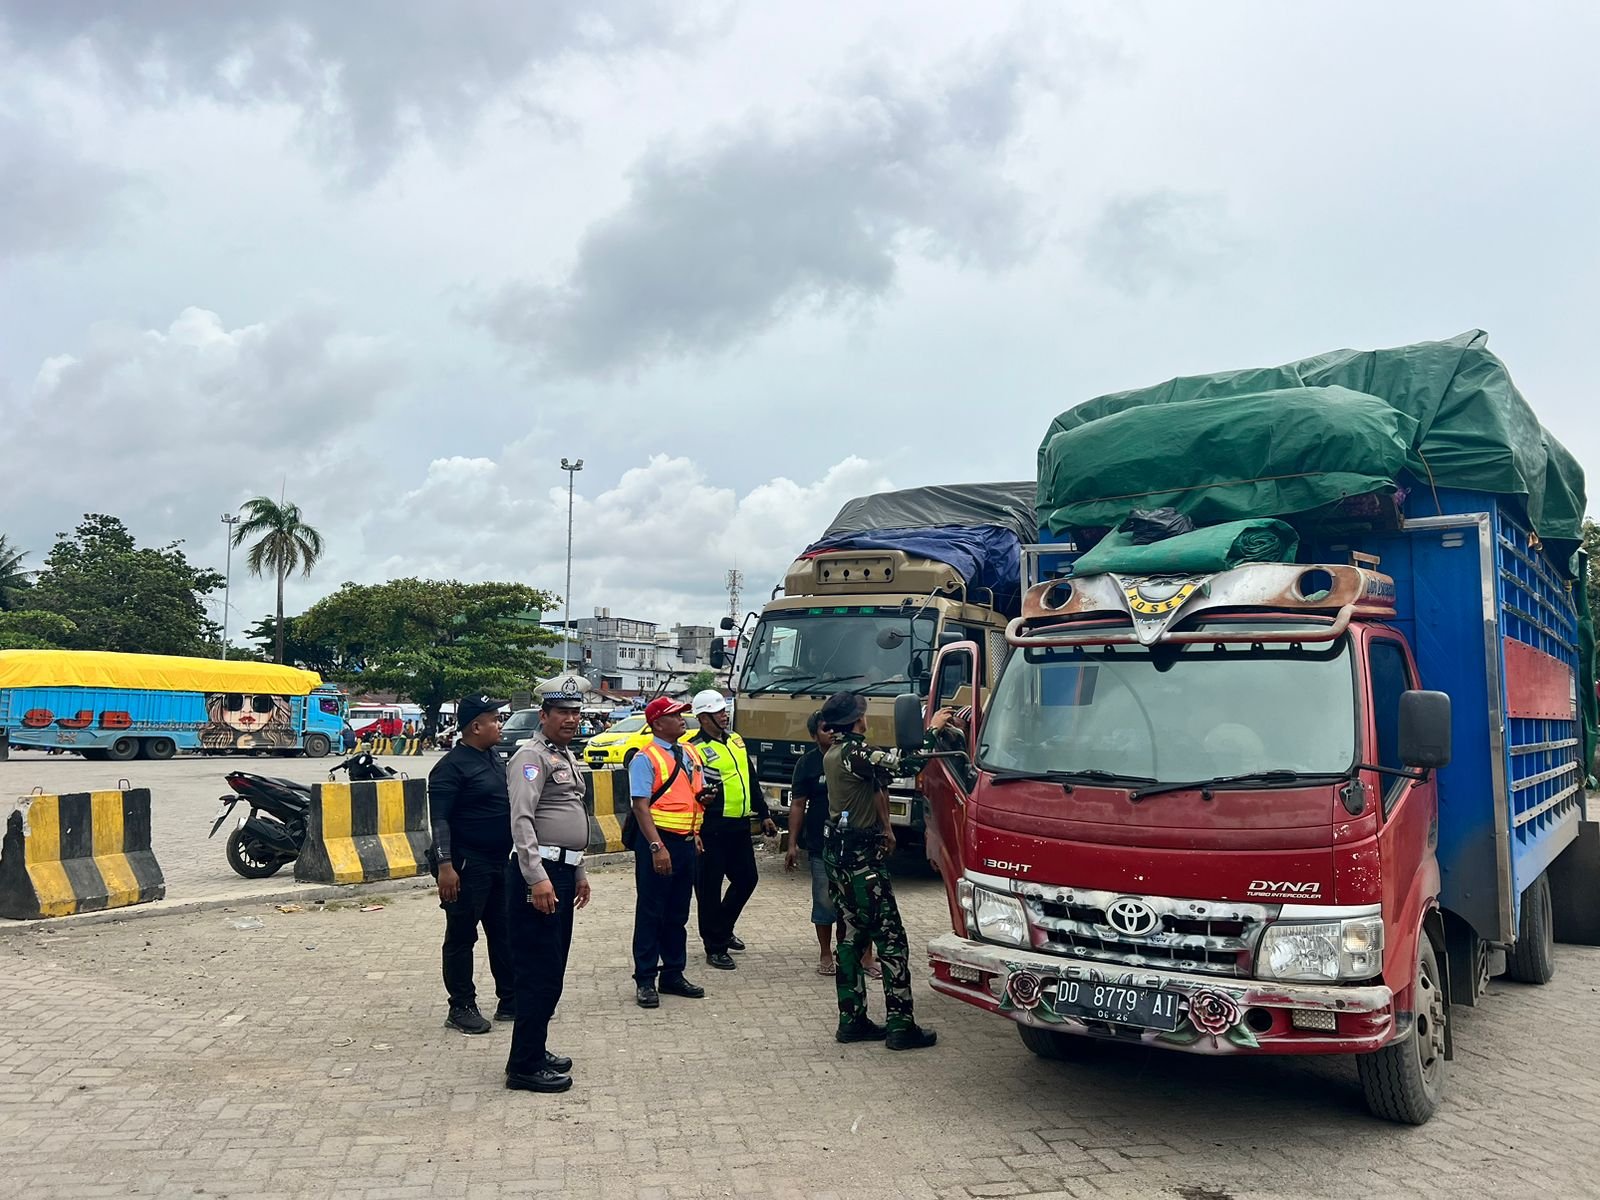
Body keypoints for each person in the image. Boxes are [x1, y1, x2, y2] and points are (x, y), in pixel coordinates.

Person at [819, 690, 948, 1051]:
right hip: (862, 861)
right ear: (858, 719)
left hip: (840, 858)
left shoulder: (835, 753)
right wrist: (933, 729)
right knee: (891, 941)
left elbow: (879, 778)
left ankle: (852, 1019)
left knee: (852, 937)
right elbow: (907, 765)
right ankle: (901, 1025)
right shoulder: (855, 753)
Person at [502, 692, 593, 1095]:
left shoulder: (564, 755)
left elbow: (569, 817)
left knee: (552, 970)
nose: (571, 719)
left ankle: (534, 1050)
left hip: (563, 870)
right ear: (544, 715)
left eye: (576, 712)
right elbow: (522, 821)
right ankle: (524, 1067)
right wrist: (536, 878)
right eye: (563, 713)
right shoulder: (530, 757)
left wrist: (580, 871)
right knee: (537, 972)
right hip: (541, 875)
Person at [427, 693, 514, 1035]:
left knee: (504, 932)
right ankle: (461, 1006)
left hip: (499, 861)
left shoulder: (493, 757)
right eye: (494, 719)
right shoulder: (450, 767)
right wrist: (445, 866)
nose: (500, 725)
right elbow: (440, 820)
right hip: (466, 865)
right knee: (462, 936)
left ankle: (510, 998)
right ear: (476, 726)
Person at [628, 696, 711, 1008]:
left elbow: (690, 796)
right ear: (658, 723)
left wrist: (696, 831)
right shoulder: (645, 758)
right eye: (675, 715)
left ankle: (673, 974)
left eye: (682, 714)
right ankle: (645, 979)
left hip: (686, 840)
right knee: (651, 912)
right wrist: (656, 847)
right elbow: (640, 807)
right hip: (658, 842)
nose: (682, 720)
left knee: (678, 912)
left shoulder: (689, 752)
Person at [687, 689, 777, 970]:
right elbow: (688, 790)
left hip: (738, 825)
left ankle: (723, 928)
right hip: (710, 827)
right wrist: (694, 829)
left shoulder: (735, 740)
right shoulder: (693, 749)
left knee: (747, 879)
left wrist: (764, 813)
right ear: (703, 718)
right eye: (718, 712)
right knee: (709, 889)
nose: (724, 715)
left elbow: (750, 777)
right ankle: (714, 946)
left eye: (724, 710)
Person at [785, 710, 877, 978]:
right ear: (814, 735)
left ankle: (866, 956)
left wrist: (885, 829)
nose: (832, 732)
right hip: (821, 845)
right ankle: (826, 953)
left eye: (835, 727)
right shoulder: (807, 764)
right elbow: (798, 804)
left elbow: (878, 792)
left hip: (858, 843)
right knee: (825, 902)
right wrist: (791, 844)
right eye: (826, 729)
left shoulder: (856, 756)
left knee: (863, 901)